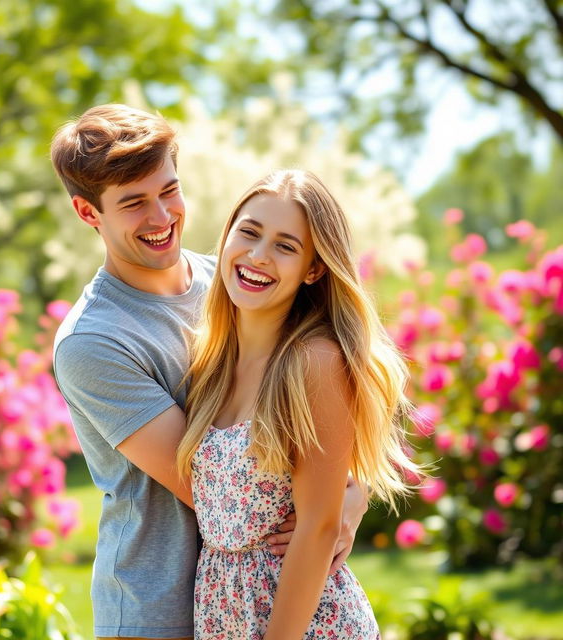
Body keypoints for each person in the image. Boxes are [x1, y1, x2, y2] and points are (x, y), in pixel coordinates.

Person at [50, 104, 368, 640]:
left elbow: (316, 410)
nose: (161, 217)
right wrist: (329, 507)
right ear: (89, 213)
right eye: (133, 203)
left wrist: (348, 496)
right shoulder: (94, 341)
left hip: (262, 597)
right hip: (157, 606)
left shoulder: (233, 281)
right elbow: (219, 490)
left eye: (168, 191)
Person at [176, 169, 422, 639]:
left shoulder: (314, 361)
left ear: (313, 269)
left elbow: (317, 528)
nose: (258, 255)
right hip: (225, 616)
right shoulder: (210, 365)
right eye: (248, 232)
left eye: (285, 246)